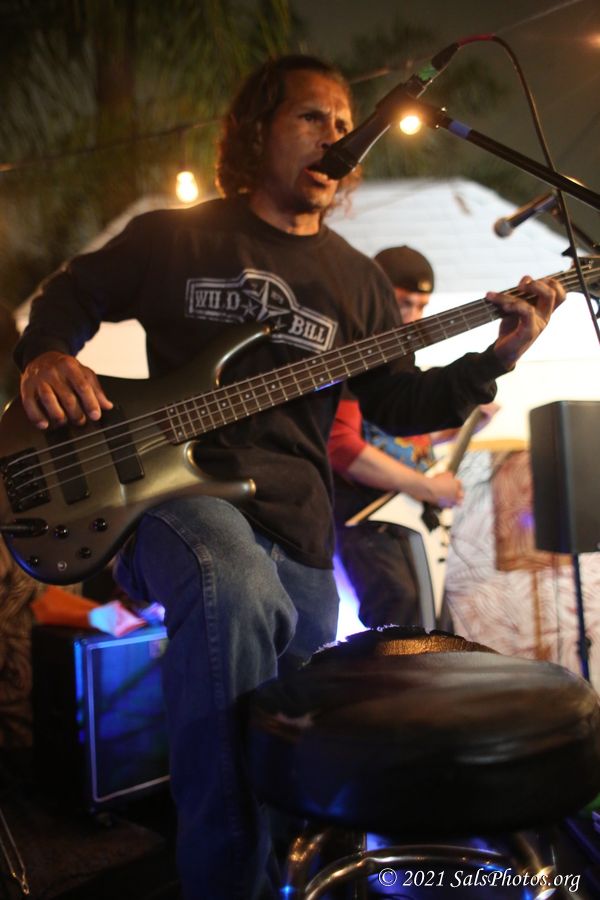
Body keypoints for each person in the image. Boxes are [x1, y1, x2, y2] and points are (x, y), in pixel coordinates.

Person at [12, 54, 563, 900]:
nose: (335, 136)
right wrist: (47, 353)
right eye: (312, 117)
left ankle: (276, 872)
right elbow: (69, 295)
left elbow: (400, 402)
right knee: (230, 578)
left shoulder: (356, 280)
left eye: (345, 124)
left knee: (275, 734)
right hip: (169, 497)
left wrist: (497, 356)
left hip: (298, 529)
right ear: (256, 130)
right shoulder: (175, 237)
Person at [328, 246, 495, 629]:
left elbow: (393, 438)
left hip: (404, 515)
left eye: (422, 306)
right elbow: (343, 447)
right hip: (369, 517)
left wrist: (458, 429)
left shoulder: (399, 368)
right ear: (376, 295)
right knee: (401, 617)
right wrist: (428, 487)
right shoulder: (353, 359)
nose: (414, 317)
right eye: (404, 303)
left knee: (436, 626)